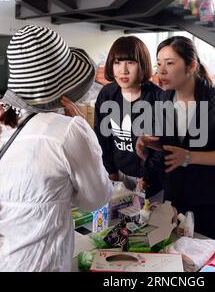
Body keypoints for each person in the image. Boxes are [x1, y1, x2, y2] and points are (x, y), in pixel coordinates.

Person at [0, 25, 113, 272]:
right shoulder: (68, 131)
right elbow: (96, 199)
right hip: (39, 263)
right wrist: (85, 132)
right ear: (62, 84)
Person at [136, 36, 215, 242]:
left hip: (209, 201)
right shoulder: (164, 98)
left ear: (191, 66)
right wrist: (151, 143)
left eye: (170, 63)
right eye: (159, 64)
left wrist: (189, 156)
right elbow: (170, 147)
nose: (162, 71)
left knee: (204, 259)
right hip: (174, 196)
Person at [63, 36, 163, 200]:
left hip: (150, 180)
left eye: (130, 62)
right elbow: (103, 137)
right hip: (118, 174)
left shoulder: (158, 98)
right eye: (117, 62)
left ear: (143, 64)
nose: (123, 70)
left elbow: (162, 146)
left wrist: (147, 177)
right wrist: (111, 171)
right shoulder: (108, 93)